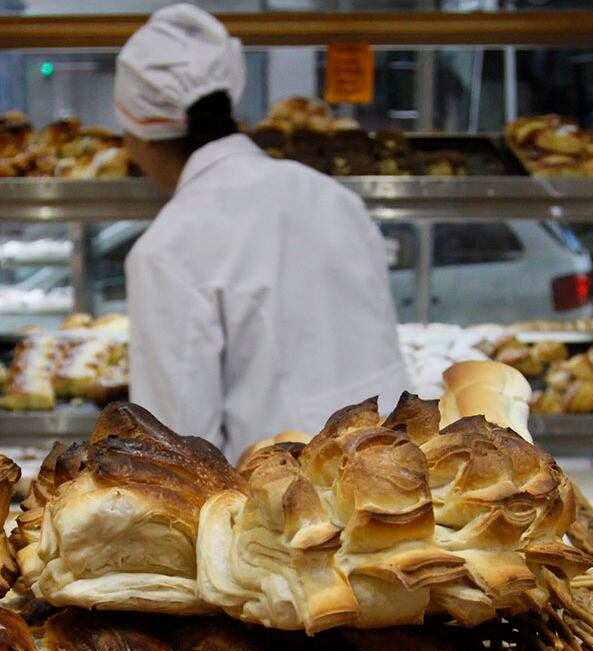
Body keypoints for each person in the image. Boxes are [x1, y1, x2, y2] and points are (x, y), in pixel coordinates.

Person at [115, 3, 409, 459]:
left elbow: (177, 451)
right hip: (394, 479)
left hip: (281, 511)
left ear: (138, 132)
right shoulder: (331, 196)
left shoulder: (169, 248)